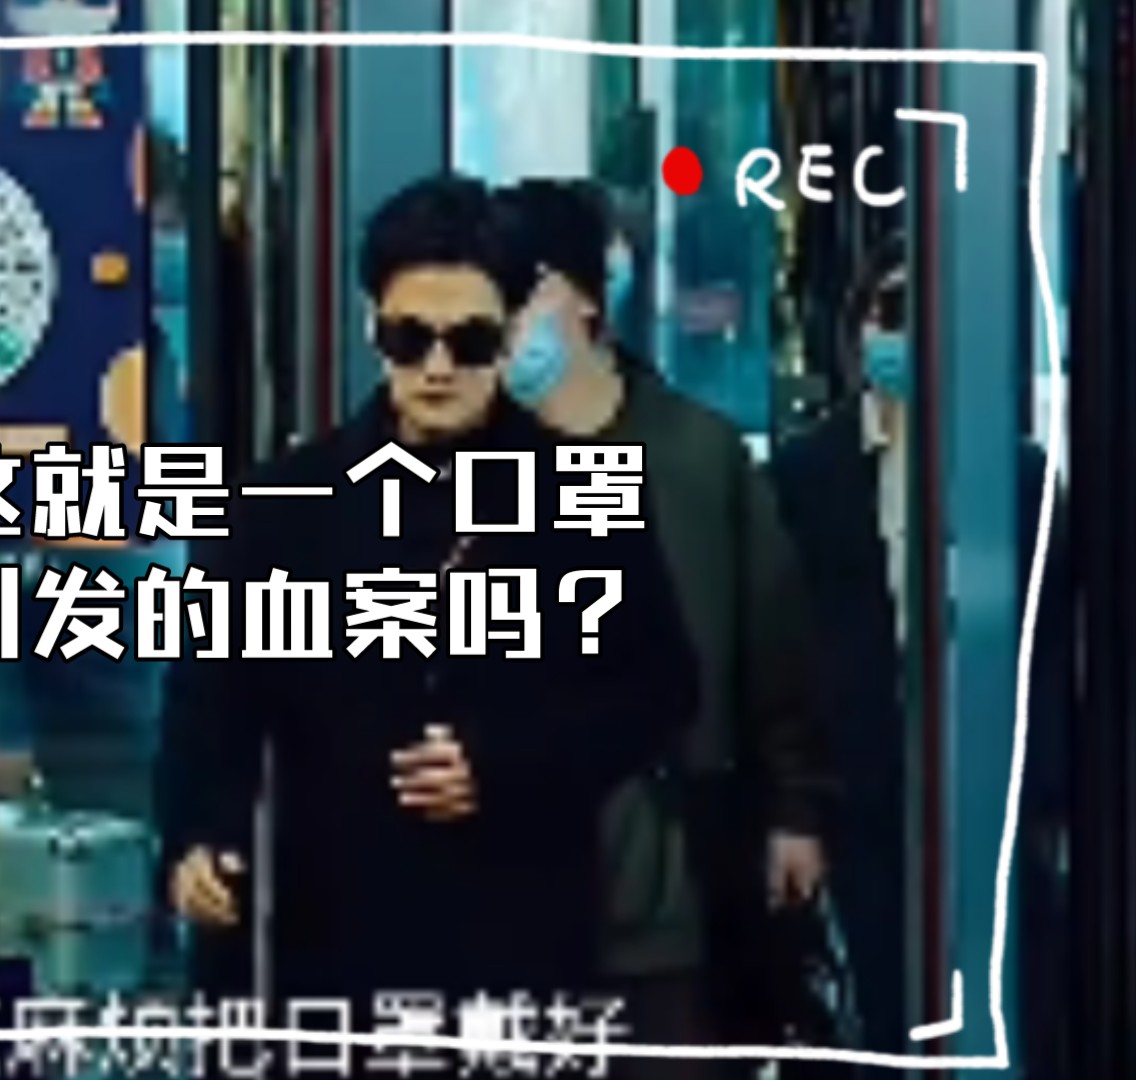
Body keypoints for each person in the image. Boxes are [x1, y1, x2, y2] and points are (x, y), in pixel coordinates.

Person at [157, 173, 702, 1062]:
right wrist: (198, 838)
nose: (439, 368)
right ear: (372, 327)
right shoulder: (287, 503)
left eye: (470, 340)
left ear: (511, 333)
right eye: (411, 339)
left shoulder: (580, 495)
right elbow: (212, 698)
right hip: (333, 941)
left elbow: (659, 689)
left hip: (520, 934)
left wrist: (503, 762)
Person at [493, 179, 834, 1077]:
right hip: (517, 885)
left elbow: (773, 646)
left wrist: (795, 810)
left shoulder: (695, 455)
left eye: (519, 294)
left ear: (584, 297)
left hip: (677, 878)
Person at [765, 231, 1072, 1063]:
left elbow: (1050, 650)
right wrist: (795, 811)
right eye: (891, 310)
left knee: (1003, 1009)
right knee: (881, 1008)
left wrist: (1044, 796)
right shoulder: (804, 478)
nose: (905, 335)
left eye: (930, 314)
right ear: (858, 324)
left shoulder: (1019, 478)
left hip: (985, 799)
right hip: (857, 795)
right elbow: (779, 657)